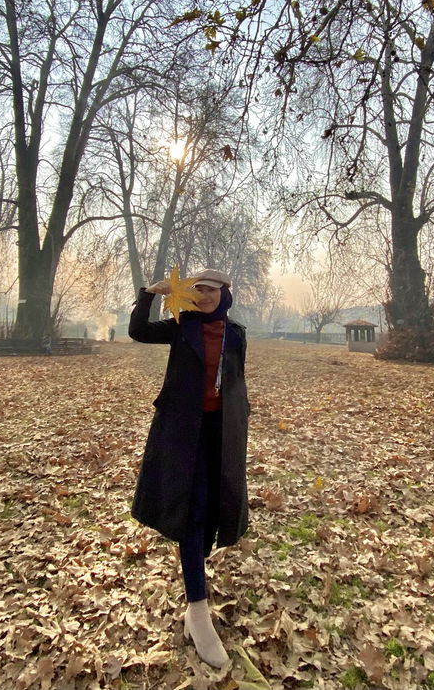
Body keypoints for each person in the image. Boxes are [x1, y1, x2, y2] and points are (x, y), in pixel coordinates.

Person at [128, 268, 250, 669]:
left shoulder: (236, 333)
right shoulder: (181, 325)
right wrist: (149, 293)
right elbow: (138, 331)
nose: (205, 296)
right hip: (183, 433)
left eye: (212, 290)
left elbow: (235, 383)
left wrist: (240, 421)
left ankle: (194, 606)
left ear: (224, 294)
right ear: (192, 295)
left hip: (221, 435)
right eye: (199, 289)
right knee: (191, 515)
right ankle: (198, 613)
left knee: (211, 513)